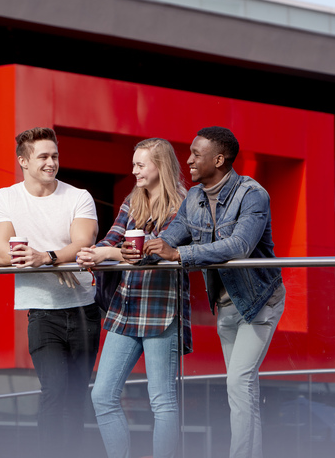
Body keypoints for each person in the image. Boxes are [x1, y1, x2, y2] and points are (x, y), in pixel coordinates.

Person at [144, 126, 285, 458]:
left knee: (238, 383)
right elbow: (175, 234)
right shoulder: (193, 197)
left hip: (260, 302)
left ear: (219, 159)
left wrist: (180, 255)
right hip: (225, 304)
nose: (188, 160)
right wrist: (147, 249)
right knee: (241, 388)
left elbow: (240, 245)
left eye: (196, 154)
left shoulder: (252, 193)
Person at [0, 127, 101, 458]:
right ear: (23, 161)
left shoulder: (79, 195)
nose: (51, 163)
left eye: (55, 156)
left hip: (84, 309)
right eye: (43, 157)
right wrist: (56, 261)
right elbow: (0, 255)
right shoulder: (7, 197)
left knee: (76, 395)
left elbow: (82, 243)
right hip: (40, 311)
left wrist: (46, 258)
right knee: (53, 391)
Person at [76, 137, 190, 458]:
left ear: (160, 166)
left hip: (161, 309)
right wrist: (92, 252)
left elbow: (151, 252)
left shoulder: (181, 204)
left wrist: (109, 253)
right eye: (134, 164)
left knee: (162, 400)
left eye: (140, 165)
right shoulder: (133, 200)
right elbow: (113, 238)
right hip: (125, 308)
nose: (134, 170)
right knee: (102, 396)